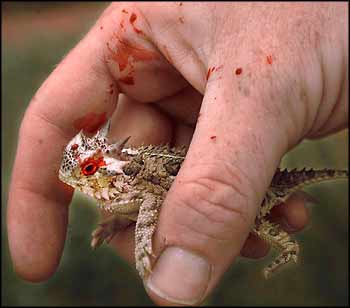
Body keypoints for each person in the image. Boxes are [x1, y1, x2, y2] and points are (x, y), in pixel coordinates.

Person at [7, 2, 347, 306]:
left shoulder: (132, 180)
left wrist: (144, 247)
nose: (82, 174)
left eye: (90, 167)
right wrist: (114, 225)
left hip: (256, 193)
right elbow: (136, 207)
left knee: (261, 222)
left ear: (103, 168)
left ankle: (288, 248)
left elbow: (151, 204)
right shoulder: (122, 187)